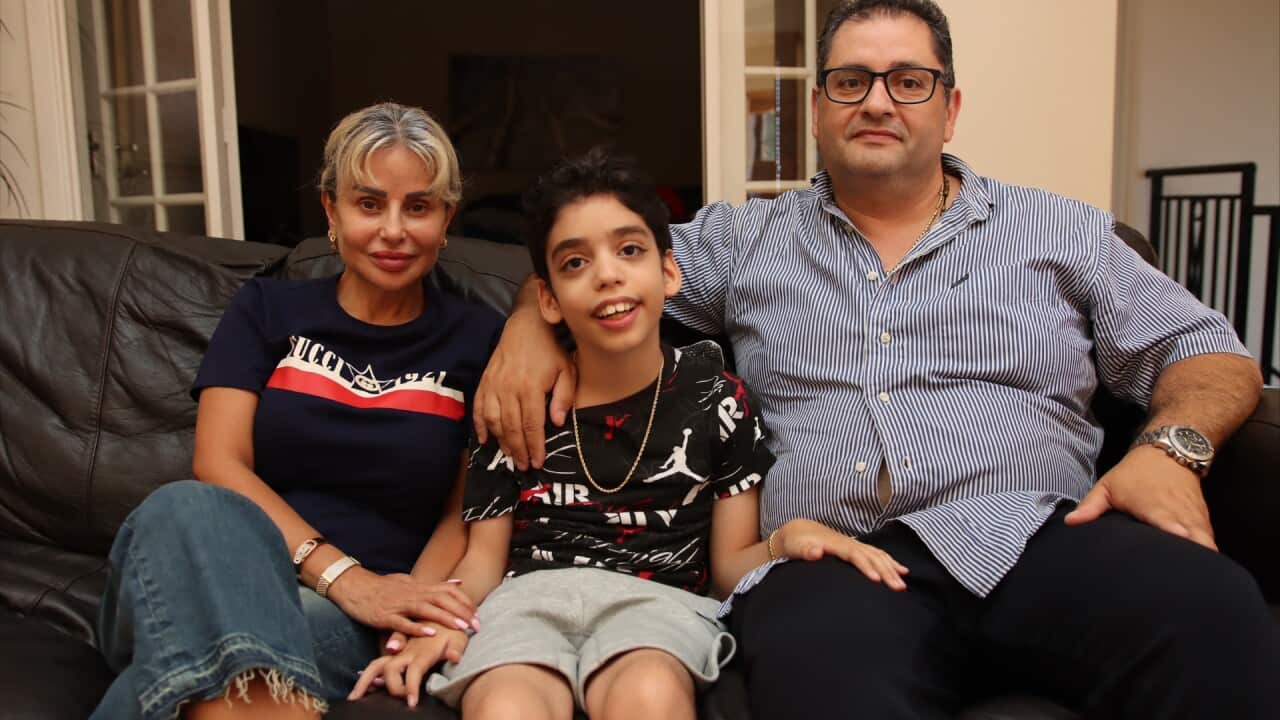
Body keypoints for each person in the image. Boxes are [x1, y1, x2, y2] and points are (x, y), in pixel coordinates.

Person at [471, 2, 1280, 718]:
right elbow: (598, 271)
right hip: (837, 560)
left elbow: (1208, 351)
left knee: (1215, 611)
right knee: (816, 675)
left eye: (909, 81)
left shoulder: (1064, 232)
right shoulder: (743, 240)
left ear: (951, 106)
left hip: (1040, 534)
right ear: (818, 108)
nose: (880, 101)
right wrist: (527, 331)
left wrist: (1174, 449)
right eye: (851, 82)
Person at [349, 149, 910, 719]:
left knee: (648, 692)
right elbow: (483, 562)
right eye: (574, 264)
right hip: (524, 604)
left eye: (629, 250)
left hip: (657, 606)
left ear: (669, 272)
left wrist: (786, 540)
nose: (607, 274)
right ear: (547, 299)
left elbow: (728, 569)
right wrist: (431, 625)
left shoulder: (717, 398)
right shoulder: (519, 404)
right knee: (506, 704)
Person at [92, 102, 502, 719]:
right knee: (186, 505)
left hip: (345, 618)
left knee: (185, 671)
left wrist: (410, 605)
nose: (394, 230)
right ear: (331, 210)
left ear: (446, 219)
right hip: (226, 572)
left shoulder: (478, 339)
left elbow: (463, 511)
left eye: (418, 206)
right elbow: (219, 462)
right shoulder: (265, 309)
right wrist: (347, 579)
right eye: (369, 204)